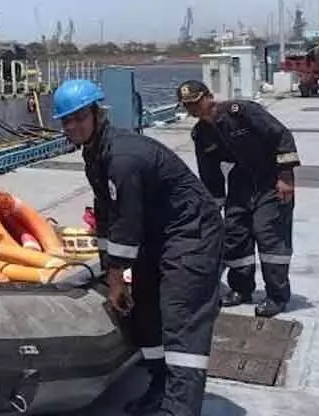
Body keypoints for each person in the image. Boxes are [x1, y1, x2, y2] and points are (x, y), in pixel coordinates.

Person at [54, 78, 224, 416]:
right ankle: (160, 387)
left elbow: (127, 221)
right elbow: (106, 215)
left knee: (180, 320)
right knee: (145, 311)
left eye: (78, 117)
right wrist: (107, 264)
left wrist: (115, 276)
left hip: (191, 234)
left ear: (96, 114)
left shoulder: (123, 156)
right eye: (66, 121)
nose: (72, 126)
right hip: (157, 236)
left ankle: (179, 408)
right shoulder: (95, 153)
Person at [179, 79, 298, 318]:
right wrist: (214, 207)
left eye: (196, 102)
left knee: (269, 235)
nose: (193, 109)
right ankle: (241, 289)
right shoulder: (201, 133)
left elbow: (281, 135)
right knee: (236, 234)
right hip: (241, 181)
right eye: (187, 106)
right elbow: (210, 173)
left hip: (270, 178)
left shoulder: (241, 112)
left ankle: (277, 296)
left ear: (209, 96)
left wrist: (285, 176)